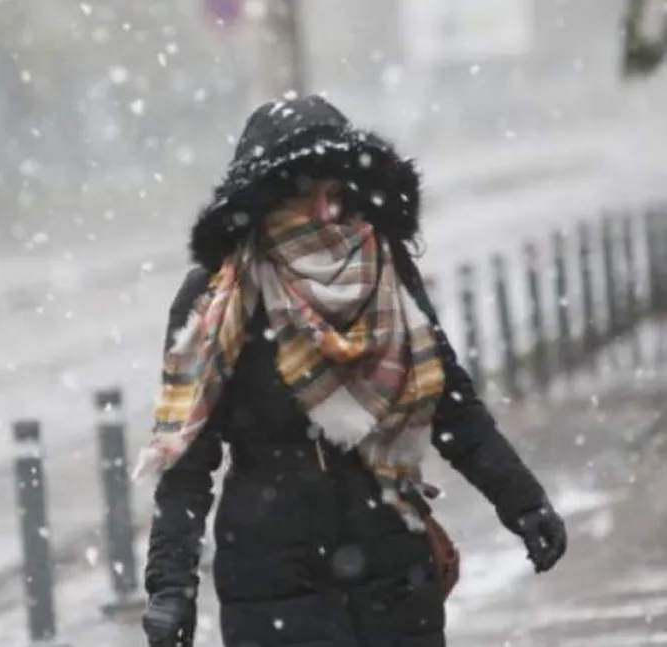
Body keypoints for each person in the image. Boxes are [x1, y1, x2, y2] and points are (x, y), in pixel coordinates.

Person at [138, 95, 568, 647]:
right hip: (273, 583)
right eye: (304, 187)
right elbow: (188, 460)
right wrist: (170, 585)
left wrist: (522, 502)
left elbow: (449, 402)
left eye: (337, 186)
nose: (326, 206)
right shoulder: (219, 298)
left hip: (393, 571)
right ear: (268, 197)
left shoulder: (385, 271)